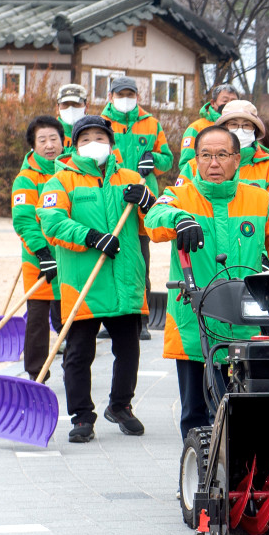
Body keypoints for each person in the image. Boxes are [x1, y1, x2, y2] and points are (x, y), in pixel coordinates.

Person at [146, 125, 269, 438]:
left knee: (241, 408)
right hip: (194, 321)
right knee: (195, 411)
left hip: (245, 323)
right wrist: (178, 219)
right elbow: (153, 219)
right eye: (205, 155)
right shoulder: (180, 198)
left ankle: (238, 476)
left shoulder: (260, 201)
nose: (214, 163)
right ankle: (197, 476)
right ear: (196, 160)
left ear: (237, 159)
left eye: (222, 155)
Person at [37, 116, 152, 443]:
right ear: (74, 144)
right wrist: (90, 236)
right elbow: (52, 223)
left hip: (124, 280)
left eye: (99, 137)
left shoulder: (130, 179)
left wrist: (147, 202)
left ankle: (120, 406)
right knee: (78, 353)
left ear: (111, 143)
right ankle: (82, 416)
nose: (93, 143)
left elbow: (153, 226)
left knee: (129, 350)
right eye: (85, 138)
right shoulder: (60, 182)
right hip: (82, 282)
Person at [101, 76, 171, 341]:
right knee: (110, 260)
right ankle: (111, 319)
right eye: (121, 94)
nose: (126, 99)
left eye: (130, 94)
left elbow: (167, 159)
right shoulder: (102, 124)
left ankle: (141, 320)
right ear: (110, 97)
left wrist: (153, 160)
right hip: (113, 200)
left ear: (138, 97)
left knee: (140, 261)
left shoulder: (151, 123)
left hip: (142, 200)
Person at [179, 100, 269, 222]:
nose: (240, 130)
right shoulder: (194, 166)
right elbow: (176, 206)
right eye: (233, 124)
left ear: (255, 131)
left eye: (246, 125)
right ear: (223, 128)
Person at [12, 116, 65, 380]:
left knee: (70, 319)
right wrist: (42, 253)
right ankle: (36, 374)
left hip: (69, 258)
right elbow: (24, 220)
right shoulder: (26, 179)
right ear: (33, 145)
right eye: (42, 140)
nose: (49, 145)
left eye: (54, 138)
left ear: (63, 140)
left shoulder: (72, 173)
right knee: (36, 321)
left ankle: (75, 369)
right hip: (39, 261)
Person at [178, 83, 239, 168]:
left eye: (233, 101)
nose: (229, 104)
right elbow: (186, 164)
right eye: (225, 101)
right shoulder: (196, 128)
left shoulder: (243, 128)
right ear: (213, 103)